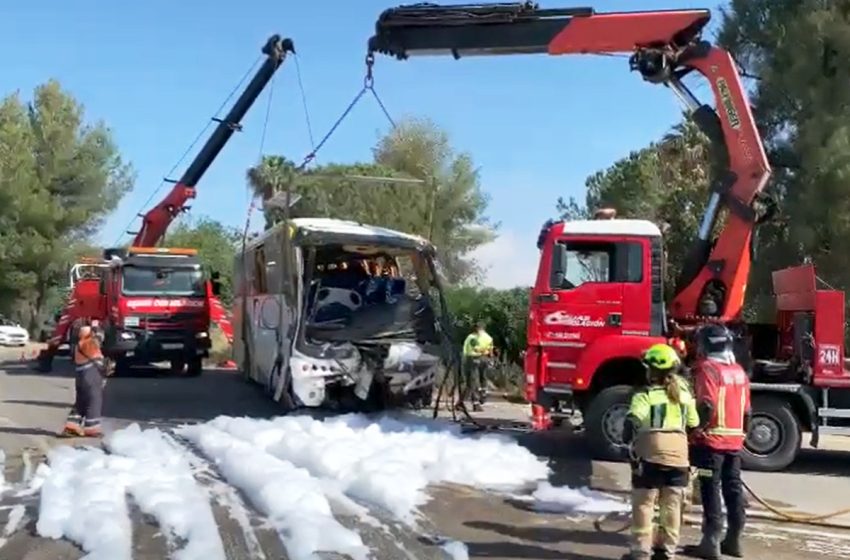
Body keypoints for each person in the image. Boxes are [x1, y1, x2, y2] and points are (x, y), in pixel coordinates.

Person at [622, 343, 700, 560]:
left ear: (650, 370)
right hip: (679, 459)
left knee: (644, 504)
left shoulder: (645, 395)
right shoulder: (684, 395)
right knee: (672, 507)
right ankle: (666, 551)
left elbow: (632, 422)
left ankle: (640, 552)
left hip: (649, 457)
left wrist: (626, 445)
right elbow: (694, 424)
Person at [684, 324, 751, 559]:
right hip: (734, 443)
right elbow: (747, 412)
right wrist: (742, 436)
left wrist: (694, 430)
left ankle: (710, 541)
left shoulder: (708, 370)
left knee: (710, 489)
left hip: (710, 443)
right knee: (733, 489)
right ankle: (734, 540)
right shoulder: (740, 372)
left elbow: (707, 404)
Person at [61, 324, 108, 438]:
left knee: (81, 402)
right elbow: (99, 338)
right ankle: (92, 428)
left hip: (82, 375)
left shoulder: (79, 345)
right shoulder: (87, 344)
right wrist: (97, 328)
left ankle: (72, 426)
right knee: (94, 400)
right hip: (90, 375)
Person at [459, 322, 494, 411]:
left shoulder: (471, 337)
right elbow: (490, 350)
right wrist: (489, 358)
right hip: (484, 359)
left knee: (471, 382)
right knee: (483, 379)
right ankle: (483, 395)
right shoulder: (488, 337)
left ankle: (475, 402)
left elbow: (471, 349)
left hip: (472, 359)